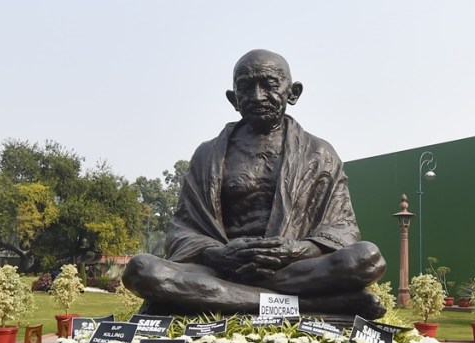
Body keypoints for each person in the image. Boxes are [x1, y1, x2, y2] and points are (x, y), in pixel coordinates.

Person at [122, 49, 386, 318]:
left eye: (269, 85)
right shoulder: (208, 155)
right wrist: (218, 254)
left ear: (293, 93)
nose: (257, 96)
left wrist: (296, 250)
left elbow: (342, 230)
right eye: (246, 88)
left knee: (366, 258)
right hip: (222, 268)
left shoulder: (319, 154)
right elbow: (182, 231)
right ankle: (311, 306)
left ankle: (225, 298)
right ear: (233, 98)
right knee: (141, 269)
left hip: (291, 269)